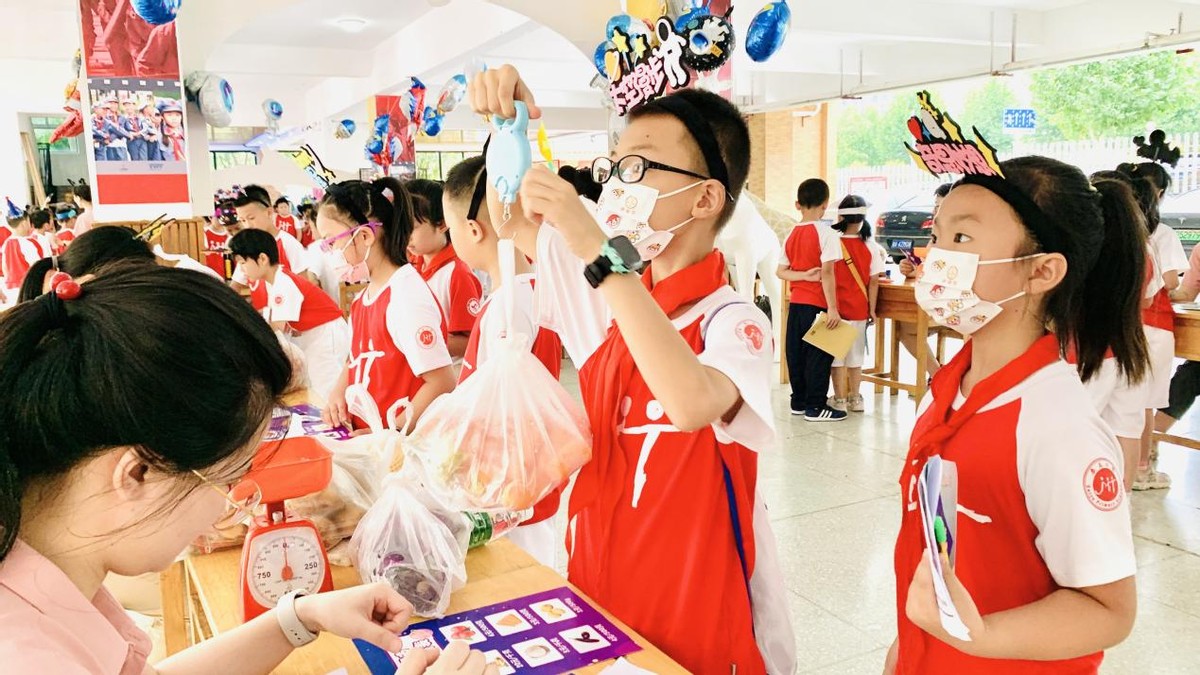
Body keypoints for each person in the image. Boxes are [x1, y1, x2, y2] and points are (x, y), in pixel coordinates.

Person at [0, 263, 490, 675]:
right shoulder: (25, 655)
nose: (235, 504)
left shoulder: (44, 573)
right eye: (231, 480)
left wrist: (298, 618)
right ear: (137, 475)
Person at [470, 65, 795, 675]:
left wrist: (594, 245)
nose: (618, 183)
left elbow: (692, 402)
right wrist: (505, 132)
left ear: (705, 197)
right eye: (615, 165)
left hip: (696, 600)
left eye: (639, 167)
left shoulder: (733, 320)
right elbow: (510, 218)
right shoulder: (608, 289)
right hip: (601, 577)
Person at [887, 157, 1144, 674]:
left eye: (962, 240)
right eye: (936, 234)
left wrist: (980, 635)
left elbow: (1110, 611)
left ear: (1042, 270)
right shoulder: (945, 391)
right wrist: (906, 651)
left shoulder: (1057, 426)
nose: (934, 256)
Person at [442, 155, 564, 567]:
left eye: (451, 228)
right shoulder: (532, 290)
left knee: (520, 578)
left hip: (509, 490)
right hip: (523, 483)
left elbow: (494, 412)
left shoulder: (508, 305)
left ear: (473, 230)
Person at [315, 178, 456, 432]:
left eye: (331, 242)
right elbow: (356, 359)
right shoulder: (363, 299)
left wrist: (389, 432)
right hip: (373, 442)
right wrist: (339, 391)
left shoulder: (405, 297)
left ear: (365, 236)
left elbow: (442, 382)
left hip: (399, 448)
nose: (329, 252)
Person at [1116, 161, 1186, 490]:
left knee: (1122, 399)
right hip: (1154, 324)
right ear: (1156, 192)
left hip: (1122, 325)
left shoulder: (1118, 229)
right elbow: (1169, 281)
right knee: (1143, 403)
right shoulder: (1157, 233)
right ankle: (1142, 470)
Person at [230, 228, 351, 403]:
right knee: (319, 388)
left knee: (328, 390)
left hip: (326, 336)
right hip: (314, 337)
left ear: (262, 259)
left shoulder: (283, 283)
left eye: (242, 263)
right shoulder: (273, 282)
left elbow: (275, 330)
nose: (241, 269)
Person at [778, 177, 846, 421]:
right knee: (818, 355)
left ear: (798, 204)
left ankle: (799, 401)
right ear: (824, 204)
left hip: (796, 303)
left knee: (795, 353)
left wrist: (802, 276)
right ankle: (816, 406)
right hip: (817, 303)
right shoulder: (827, 234)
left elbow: (781, 272)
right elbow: (827, 273)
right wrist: (833, 309)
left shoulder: (790, 235)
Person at [405, 178, 483, 360]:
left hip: (452, 377)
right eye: (402, 227)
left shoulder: (457, 274)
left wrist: (418, 337)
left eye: (413, 227)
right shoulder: (409, 267)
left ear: (441, 224)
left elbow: (471, 343)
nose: (405, 235)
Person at [828, 195, 883, 413]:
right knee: (856, 356)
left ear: (841, 216)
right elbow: (874, 281)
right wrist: (871, 309)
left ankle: (840, 399)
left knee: (836, 357)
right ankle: (856, 399)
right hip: (859, 308)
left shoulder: (832, 243)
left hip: (836, 309)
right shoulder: (870, 246)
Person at [896, 182, 955, 379]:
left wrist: (921, 271)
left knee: (908, 328)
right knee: (905, 324)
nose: (935, 211)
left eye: (940, 206)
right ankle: (938, 374)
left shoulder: (961, 235)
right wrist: (911, 270)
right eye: (935, 205)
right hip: (935, 298)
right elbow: (930, 265)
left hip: (955, 302)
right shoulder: (936, 235)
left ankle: (938, 375)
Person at [230, 185, 313, 308]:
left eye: (251, 218)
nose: (247, 225)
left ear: (269, 212)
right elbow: (235, 286)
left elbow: (305, 287)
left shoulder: (288, 244)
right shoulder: (246, 247)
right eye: (242, 220)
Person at [2, 207, 46, 305]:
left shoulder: (6, 243)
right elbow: (37, 266)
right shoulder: (26, 243)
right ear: (24, 223)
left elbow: (4, 267)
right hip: (26, 288)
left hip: (10, 290)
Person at [204, 212, 231, 279]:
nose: (221, 220)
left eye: (223, 217)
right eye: (218, 217)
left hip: (227, 273)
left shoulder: (229, 234)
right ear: (210, 217)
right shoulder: (205, 233)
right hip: (210, 274)